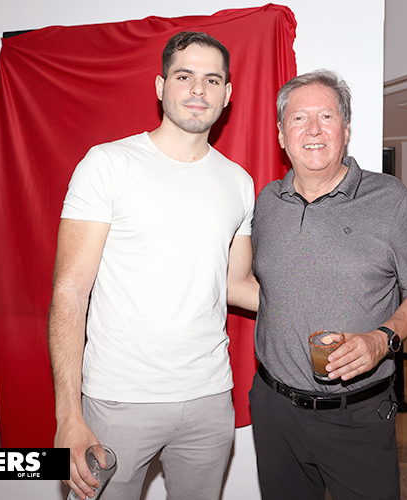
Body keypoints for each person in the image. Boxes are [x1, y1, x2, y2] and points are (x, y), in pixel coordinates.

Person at [47, 31, 258, 500]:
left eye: (212, 79)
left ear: (227, 93)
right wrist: (68, 415)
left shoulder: (239, 182)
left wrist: (320, 304)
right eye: (184, 76)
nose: (198, 89)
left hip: (209, 400)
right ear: (161, 86)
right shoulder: (108, 164)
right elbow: (70, 291)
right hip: (117, 401)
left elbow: (236, 284)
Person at [249, 70, 407, 500]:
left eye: (327, 116)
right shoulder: (267, 202)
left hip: (357, 417)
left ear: (346, 130)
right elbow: (268, 289)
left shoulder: (388, 199)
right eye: (299, 118)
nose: (313, 130)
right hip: (275, 410)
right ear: (281, 134)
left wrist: (380, 339)